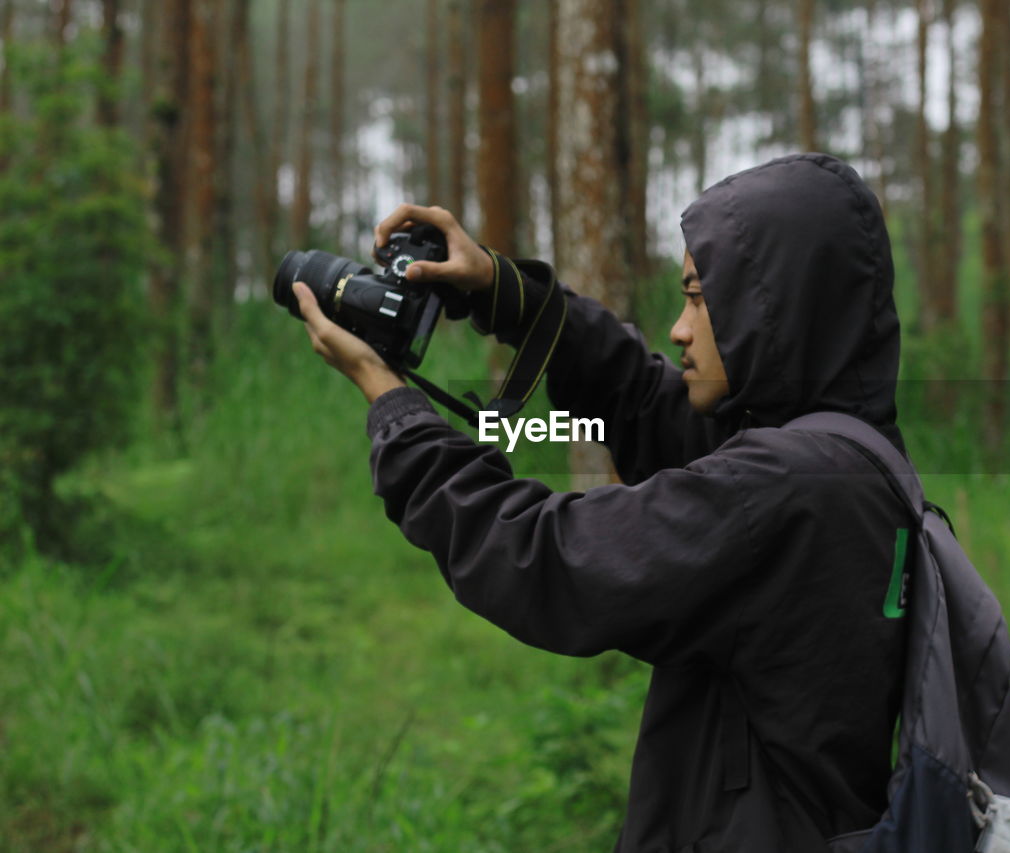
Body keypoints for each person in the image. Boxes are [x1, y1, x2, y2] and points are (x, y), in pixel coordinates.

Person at [294, 153, 913, 852]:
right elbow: (647, 401)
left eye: (701, 297)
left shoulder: (785, 489)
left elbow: (546, 558)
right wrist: (501, 290)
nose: (680, 328)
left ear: (775, 308)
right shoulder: (849, 453)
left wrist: (393, 406)